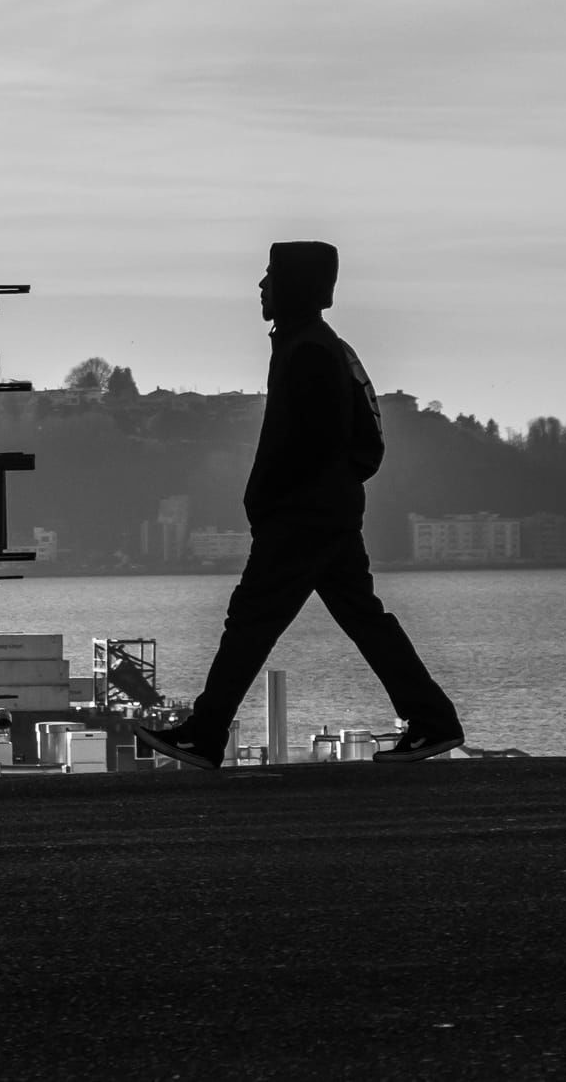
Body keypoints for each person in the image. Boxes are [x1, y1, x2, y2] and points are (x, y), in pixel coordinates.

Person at [137, 242, 464, 770]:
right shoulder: (315, 344)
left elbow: (303, 443)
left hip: (302, 515)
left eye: (270, 275)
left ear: (293, 287)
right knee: (361, 618)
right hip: (325, 511)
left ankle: (206, 732)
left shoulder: (306, 349)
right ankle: (433, 720)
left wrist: (267, 501)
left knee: (251, 621)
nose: (261, 286)